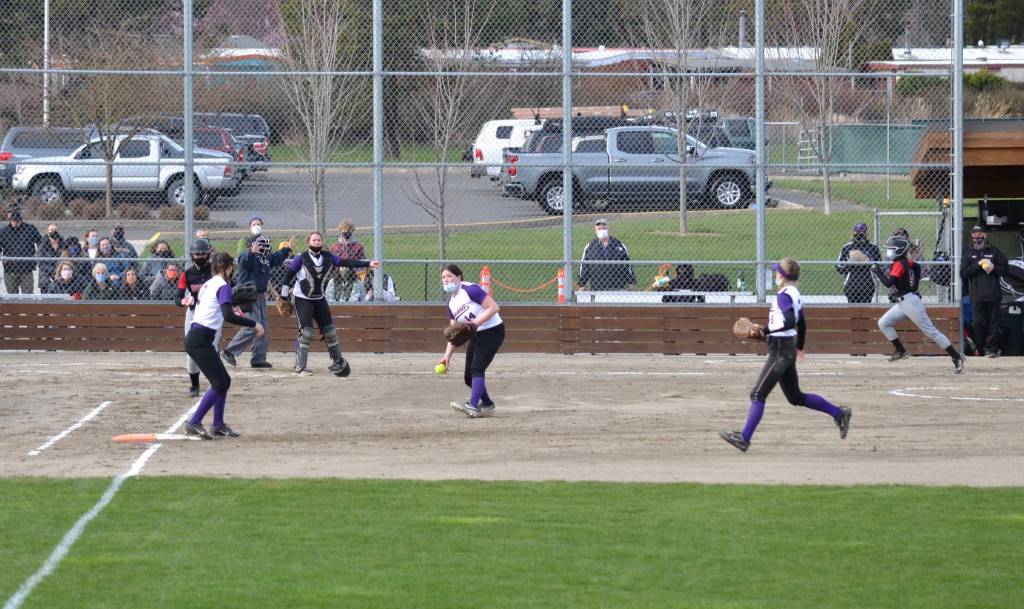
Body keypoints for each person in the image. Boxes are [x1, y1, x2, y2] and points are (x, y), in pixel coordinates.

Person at [720, 258, 852, 452]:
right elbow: (802, 324)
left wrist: (765, 330)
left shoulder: (784, 295)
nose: (776, 275)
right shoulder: (794, 293)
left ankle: (744, 438)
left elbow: (790, 322)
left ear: (784, 276)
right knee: (795, 397)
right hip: (785, 348)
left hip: (781, 351)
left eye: (777, 272)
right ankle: (838, 413)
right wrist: (799, 346)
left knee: (758, 394)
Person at [183, 252, 263, 439]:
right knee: (219, 383)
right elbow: (227, 315)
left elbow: (217, 308)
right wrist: (254, 324)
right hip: (200, 340)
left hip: (200, 337)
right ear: (228, 268)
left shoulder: (209, 284)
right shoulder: (223, 285)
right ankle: (194, 422)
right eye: (230, 267)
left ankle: (217, 424)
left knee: (224, 381)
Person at [278, 232, 379, 375]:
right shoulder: (301, 258)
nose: (317, 242)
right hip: (303, 299)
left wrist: (368, 263)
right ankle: (299, 366)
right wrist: (283, 297)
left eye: (319, 240)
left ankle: (337, 362)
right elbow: (287, 277)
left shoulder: (328, 257)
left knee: (330, 331)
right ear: (308, 242)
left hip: (319, 298)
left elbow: (346, 262)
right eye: (314, 240)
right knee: (306, 332)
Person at [873, 235, 964, 372]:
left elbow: (888, 283)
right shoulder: (903, 261)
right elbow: (916, 267)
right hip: (903, 302)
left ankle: (956, 356)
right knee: (883, 323)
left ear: (899, 250)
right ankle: (901, 350)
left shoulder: (899, 264)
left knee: (931, 332)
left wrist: (877, 271)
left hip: (910, 303)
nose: (889, 252)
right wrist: (914, 284)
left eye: (892, 249)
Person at [437, 264, 504, 418]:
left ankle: (473, 406)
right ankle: (487, 404)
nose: (446, 280)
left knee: (477, 369)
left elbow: (493, 307)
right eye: (443, 278)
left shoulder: (470, 289)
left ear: (459, 277)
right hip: (477, 334)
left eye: (449, 276)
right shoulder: (451, 304)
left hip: (493, 330)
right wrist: (447, 357)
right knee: (469, 377)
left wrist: (475, 324)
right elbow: (454, 333)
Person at [222, 233, 293, 369]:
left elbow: (277, 258)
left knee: (263, 327)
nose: (265, 248)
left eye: (266, 246)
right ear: (252, 245)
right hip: (247, 295)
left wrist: (287, 249)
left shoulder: (265, 258)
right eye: (261, 245)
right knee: (253, 326)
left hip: (261, 296)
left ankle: (258, 359)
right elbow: (245, 262)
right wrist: (251, 253)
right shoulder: (245, 255)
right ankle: (229, 351)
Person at [960, 225, 1007, 357]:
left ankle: (991, 349)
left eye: (980, 235)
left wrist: (993, 268)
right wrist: (978, 264)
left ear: (985, 235)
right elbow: (964, 273)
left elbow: (1005, 269)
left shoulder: (994, 251)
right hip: (976, 296)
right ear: (972, 236)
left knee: (993, 324)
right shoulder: (968, 252)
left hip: (993, 295)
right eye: (975, 235)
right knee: (978, 324)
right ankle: (980, 349)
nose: (977, 238)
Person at [177, 239, 214, 397]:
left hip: (212, 314)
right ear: (192, 256)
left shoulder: (215, 271)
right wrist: (185, 300)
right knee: (191, 350)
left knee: (212, 349)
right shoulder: (187, 274)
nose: (200, 256)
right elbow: (177, 298)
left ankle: (215, 382)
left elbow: (229, 286)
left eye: (203, 254)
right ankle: (194, 385)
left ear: (209, 254)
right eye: (197, 254)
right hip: (194, 314)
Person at [578, 218, 635, 291]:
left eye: (604, 227)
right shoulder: (589, 247)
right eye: (599, 228)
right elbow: (584, 267)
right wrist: (582, 284)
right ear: (595, 230)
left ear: (609, 229)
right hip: (597, 288)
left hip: (618, 288)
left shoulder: (619, 245)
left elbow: (627, 266)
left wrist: (631, 283)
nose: (601, 230)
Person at [835, 222, 881, 303]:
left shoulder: (873, 247)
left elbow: (880, 266)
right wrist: (852, 265)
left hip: (868, 284)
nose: (859, 236)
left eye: (861, 234)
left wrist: (869, 264)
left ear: (866, 233)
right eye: (857, 234)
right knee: (853, 311)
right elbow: (839, 267)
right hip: (851, 284)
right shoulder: (847, 247)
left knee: (865, 312)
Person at [0, 208, 42, 294]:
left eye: (17, 221)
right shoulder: (4, 231)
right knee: (12, 297)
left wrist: (37, 254)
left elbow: (40, 242)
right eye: (13, 221)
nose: (15, 223)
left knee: (28, 296)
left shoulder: (30, 229)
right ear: (10, 220)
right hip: (10, 268)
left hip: (26, 268)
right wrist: (2, 256)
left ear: (21, 220)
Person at [330, 219, 366, 302]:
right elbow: (332, 263)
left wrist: (361, 276)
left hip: (353, 277)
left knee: (353, 297)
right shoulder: (335, 246)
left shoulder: (358, 246)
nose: (345, 232)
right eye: (343, 231)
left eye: (348, 230)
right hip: (338, 277)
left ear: (352, 231)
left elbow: (362, 263)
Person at [37, 224, 63, 292]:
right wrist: (53, 272)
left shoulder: (63, 244)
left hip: (60, 278)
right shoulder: (42, 244)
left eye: (55, 230)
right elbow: (40, 263)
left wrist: (58, 273)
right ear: (48, 232)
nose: (53, 232)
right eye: (51, 230)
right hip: (45, 278)